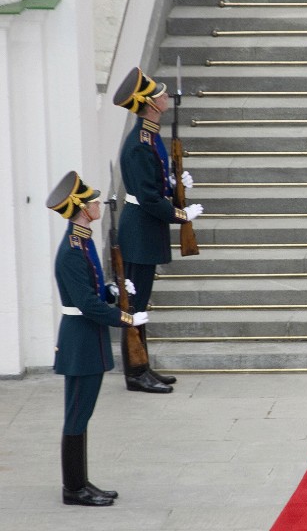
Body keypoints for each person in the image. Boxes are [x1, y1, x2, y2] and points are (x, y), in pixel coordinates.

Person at [46, 171, 150, 506]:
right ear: (79, 207)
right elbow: (86, 304)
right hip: (80, 341)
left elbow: (93, 290)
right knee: (77, 413)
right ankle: (73, 488)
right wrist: (126, 318)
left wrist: (112, 290)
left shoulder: (83, 239)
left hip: (87, 337)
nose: (96, 204)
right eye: (90, 200)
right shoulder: (72, 250)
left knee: (82, 413)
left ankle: (81, 482)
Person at [112, 66, 204, 393]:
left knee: (141, 304)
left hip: (145, 231)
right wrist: (180, 214)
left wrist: (173, 183)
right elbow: (147, 198)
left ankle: (144, 366)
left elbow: (153, 184)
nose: (166, 97)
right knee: (133, 307)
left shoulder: (150, 135)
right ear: (149, 104)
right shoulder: (139, 143)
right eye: (160, 95)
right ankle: (136, 374)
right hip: (139, 231)